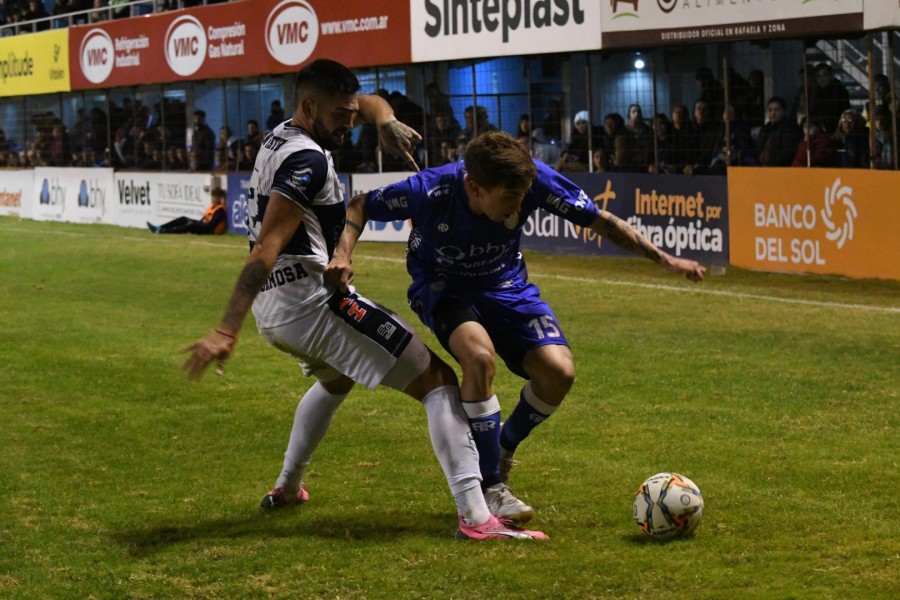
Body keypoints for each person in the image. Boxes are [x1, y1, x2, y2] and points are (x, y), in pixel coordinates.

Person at [180, 59, 547, 542]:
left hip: (280, 311)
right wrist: (226, 328)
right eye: (341, 116)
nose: (349, 123)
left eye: (353, 113)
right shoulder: (306, 162)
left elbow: (363, 104)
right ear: (311, 107)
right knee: (439, 382)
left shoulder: (282, 135)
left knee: (336, 379)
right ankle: (478, 519)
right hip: (312, 301)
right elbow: (265, 249)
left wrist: (383, 121)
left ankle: (288, 486)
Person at [327, 130, 705, 524]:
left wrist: (664, 260)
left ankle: (503, 447)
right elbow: (359, 205)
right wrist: (341, 254)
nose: (518, 207)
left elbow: (599, 219)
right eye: (509, 197)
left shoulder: (533, 179)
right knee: (478, 357)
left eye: (523, 196)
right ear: (474, 187)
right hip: (443, 288)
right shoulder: (431, 189)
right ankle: (491, 487)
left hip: (507, 285)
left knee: (559, 373)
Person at [147, 187, 228, 234]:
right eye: (213, 197)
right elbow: (203, 219)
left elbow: (211, 225)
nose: (214, 199)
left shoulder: (220, 210)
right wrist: (198, 223)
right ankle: (160, 227)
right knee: (184, 219)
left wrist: (197, 224)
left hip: (210, 230)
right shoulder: (211, 207)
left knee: (191, 225)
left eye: (216, 197)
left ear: (220, 198)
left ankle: (164, 231)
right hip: (204, 226)